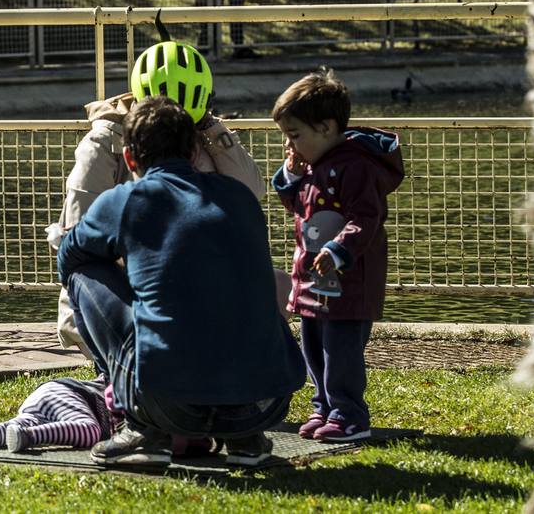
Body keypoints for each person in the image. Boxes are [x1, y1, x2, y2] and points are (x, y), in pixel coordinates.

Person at [58, 95, 306, 470]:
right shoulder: (239, 196)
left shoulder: (127, 200)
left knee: (82, 272)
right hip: (266, 403)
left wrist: (129, 265)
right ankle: (246, 440)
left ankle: (143, 430)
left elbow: (69, 253)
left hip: (168, 404)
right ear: (193, 152)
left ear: (129, 158)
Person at [49, 39, 279, 361]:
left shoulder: (206, 138)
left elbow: (251, 191)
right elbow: (77, 226)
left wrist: (213, 129)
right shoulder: (103, 145)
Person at [271, 69, 403, 443]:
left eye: (295, 135)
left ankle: (350, 414)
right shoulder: (313, 164)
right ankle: (324, 405)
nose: (290, 144)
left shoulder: (357, 166)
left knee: (341, 349)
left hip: (349, 280)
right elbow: (296, 206)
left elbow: (367, 216)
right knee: (313, 344)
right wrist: (291, 176)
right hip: (314, 278)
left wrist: (338, 249)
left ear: (327, 128)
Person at [0, 376, 113, 453]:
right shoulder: (117, 385)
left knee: (15, 427)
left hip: (44, 395)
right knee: (90, 430)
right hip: (68, 394)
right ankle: (29, 436)